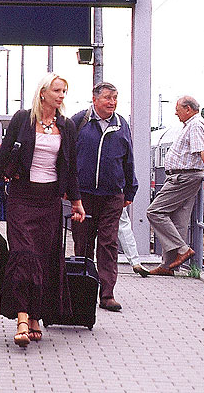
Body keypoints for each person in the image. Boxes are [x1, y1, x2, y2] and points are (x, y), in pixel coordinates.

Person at [0, 73, 86, 348]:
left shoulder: (66, 126)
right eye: (57, 90)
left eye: (64, 90)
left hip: (49, 200)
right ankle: (22, 318)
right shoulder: (22, 119)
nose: (62, 95)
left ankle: (37, 315)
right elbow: (3, 155)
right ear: (43, 93)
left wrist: (76, 202)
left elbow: (71, 167)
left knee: (44, 258)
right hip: (21, 197)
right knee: (23, 254)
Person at [70, 81, 139, 312]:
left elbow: (128, 158)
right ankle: (81, 290)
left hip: (112, 195)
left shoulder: (122, 125)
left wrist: (130, 189)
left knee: (108, 243)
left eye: (115, 98)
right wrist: (69, 191)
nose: (112, 102)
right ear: (95, 99)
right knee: (83, 242)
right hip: (83, 195)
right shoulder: (79, 121)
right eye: (107, 98)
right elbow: (67, 157)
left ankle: (107, 294)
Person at [146, 95, 204, 276]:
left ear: (188, 109)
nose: (175, 113)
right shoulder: (191, 125)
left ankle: (182, 249)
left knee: (155, 211)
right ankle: (168, 266)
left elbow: (202, 149)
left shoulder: (195, 125)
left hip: (184, 178)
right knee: (178, 222)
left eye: (177, 110)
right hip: (184, 177)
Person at [118, 206, 149, 277]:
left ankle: (90, 264)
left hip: (90, 197)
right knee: (124, 226)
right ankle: (135, 262)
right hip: (113, 197)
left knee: (92, 225)